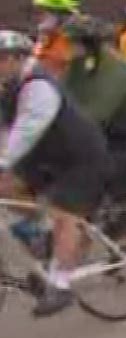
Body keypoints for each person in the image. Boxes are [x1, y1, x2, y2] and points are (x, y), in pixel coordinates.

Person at [0, 28, 112, 317]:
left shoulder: (38, 86)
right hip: (46, 155)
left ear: (17, 58)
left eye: (1, 59)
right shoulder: (8, 83)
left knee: (64, 213)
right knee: (6, 187)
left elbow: (26, 131)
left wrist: (3, 160)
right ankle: (38, 235)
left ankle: (60, 285)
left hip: (80, 157)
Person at [58, 15, 126, 214]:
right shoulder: (79, 63)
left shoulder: (115, 68)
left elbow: (100, 111)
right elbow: (64, 94)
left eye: (72, 42)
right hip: (113, 127)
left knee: (114, 171)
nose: (67, 46)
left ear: (88, 44)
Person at [30, 0, 82, 73]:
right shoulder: (46, 39)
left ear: (60, 17)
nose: (37, 18)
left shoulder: (71, 42)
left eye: (41, 13)